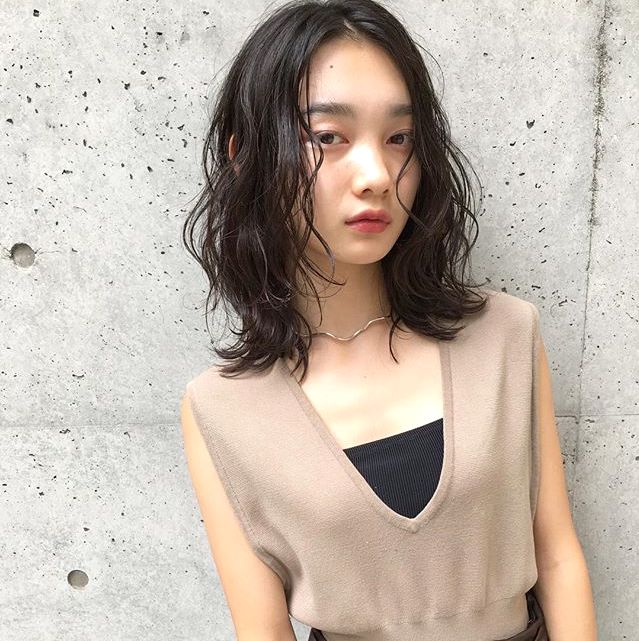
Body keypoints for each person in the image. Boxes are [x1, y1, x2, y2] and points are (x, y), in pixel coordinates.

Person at [180, 1, 598, 640]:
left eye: (399, 138)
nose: (376, 175)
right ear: (245, 157)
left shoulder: (505, 336)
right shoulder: (223, 409)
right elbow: (262, 630)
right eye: (328, 137)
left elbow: (559, 557)